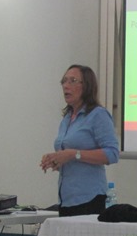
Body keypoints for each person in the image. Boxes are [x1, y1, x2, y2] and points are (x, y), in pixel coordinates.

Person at [40, 65, 120, 217]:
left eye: (72, 81)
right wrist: (55, 160)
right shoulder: (66, 118)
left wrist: (73, 154)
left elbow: (112, 153)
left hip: (89, 199)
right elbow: (68, 155)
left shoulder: (98, 115)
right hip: (66, 199)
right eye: (64, 81)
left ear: (86, 86)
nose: (66, 85)